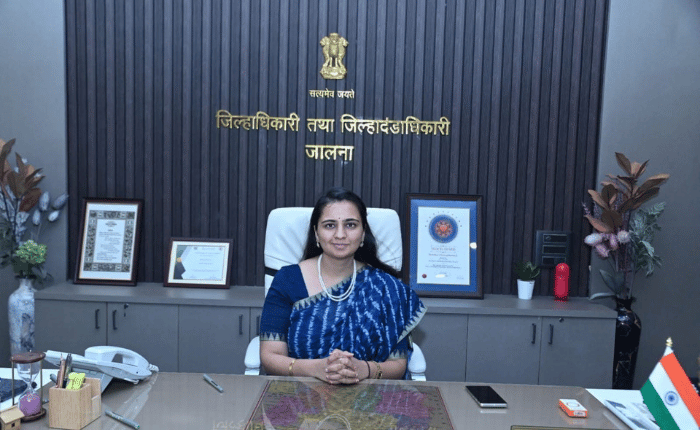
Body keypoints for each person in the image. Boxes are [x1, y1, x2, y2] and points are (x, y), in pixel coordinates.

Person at [259, 187, 426, 384]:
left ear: (363, 233)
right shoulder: (288, 279)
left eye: (350, 225)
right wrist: (315, 369)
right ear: (316, 233)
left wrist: (365, 369)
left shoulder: (387, 288)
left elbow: (397, 364)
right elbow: (270, 356)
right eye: (330, 225)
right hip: (300, 391)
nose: (340, 234)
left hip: (369, 394)